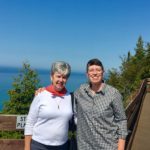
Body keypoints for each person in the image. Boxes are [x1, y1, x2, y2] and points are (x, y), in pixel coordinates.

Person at [74, 58, 128, 150]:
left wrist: (121, 148)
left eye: (98, 70)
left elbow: (122, 120)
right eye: (91, 70)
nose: (95, 73)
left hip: (107, 146)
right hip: (84, 146)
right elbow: (66, 99)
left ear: (103, 72)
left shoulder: (113, 93)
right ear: (87, 74)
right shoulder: (80, 92)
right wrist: (42, 91)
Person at [24, 61, 73, 150]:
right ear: (52, 76)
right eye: (58, 76)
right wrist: (27, 147)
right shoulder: (41, 95)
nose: (61, 80)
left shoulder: (70, 97)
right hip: (39, 145)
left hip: (62, 146)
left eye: (64, 77)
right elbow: (30, 122)